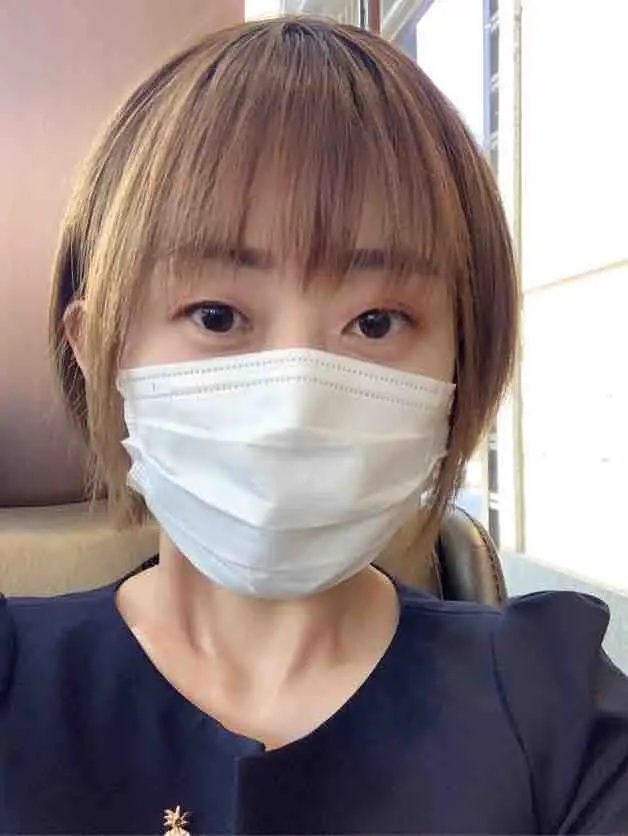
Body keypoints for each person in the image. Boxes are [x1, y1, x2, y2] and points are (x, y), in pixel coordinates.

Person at [0, 16, 626, 835]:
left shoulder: (556, 711)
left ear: (460, 363)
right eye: (217, 315)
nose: (295, 404)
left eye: (375, 322)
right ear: (99, 349)